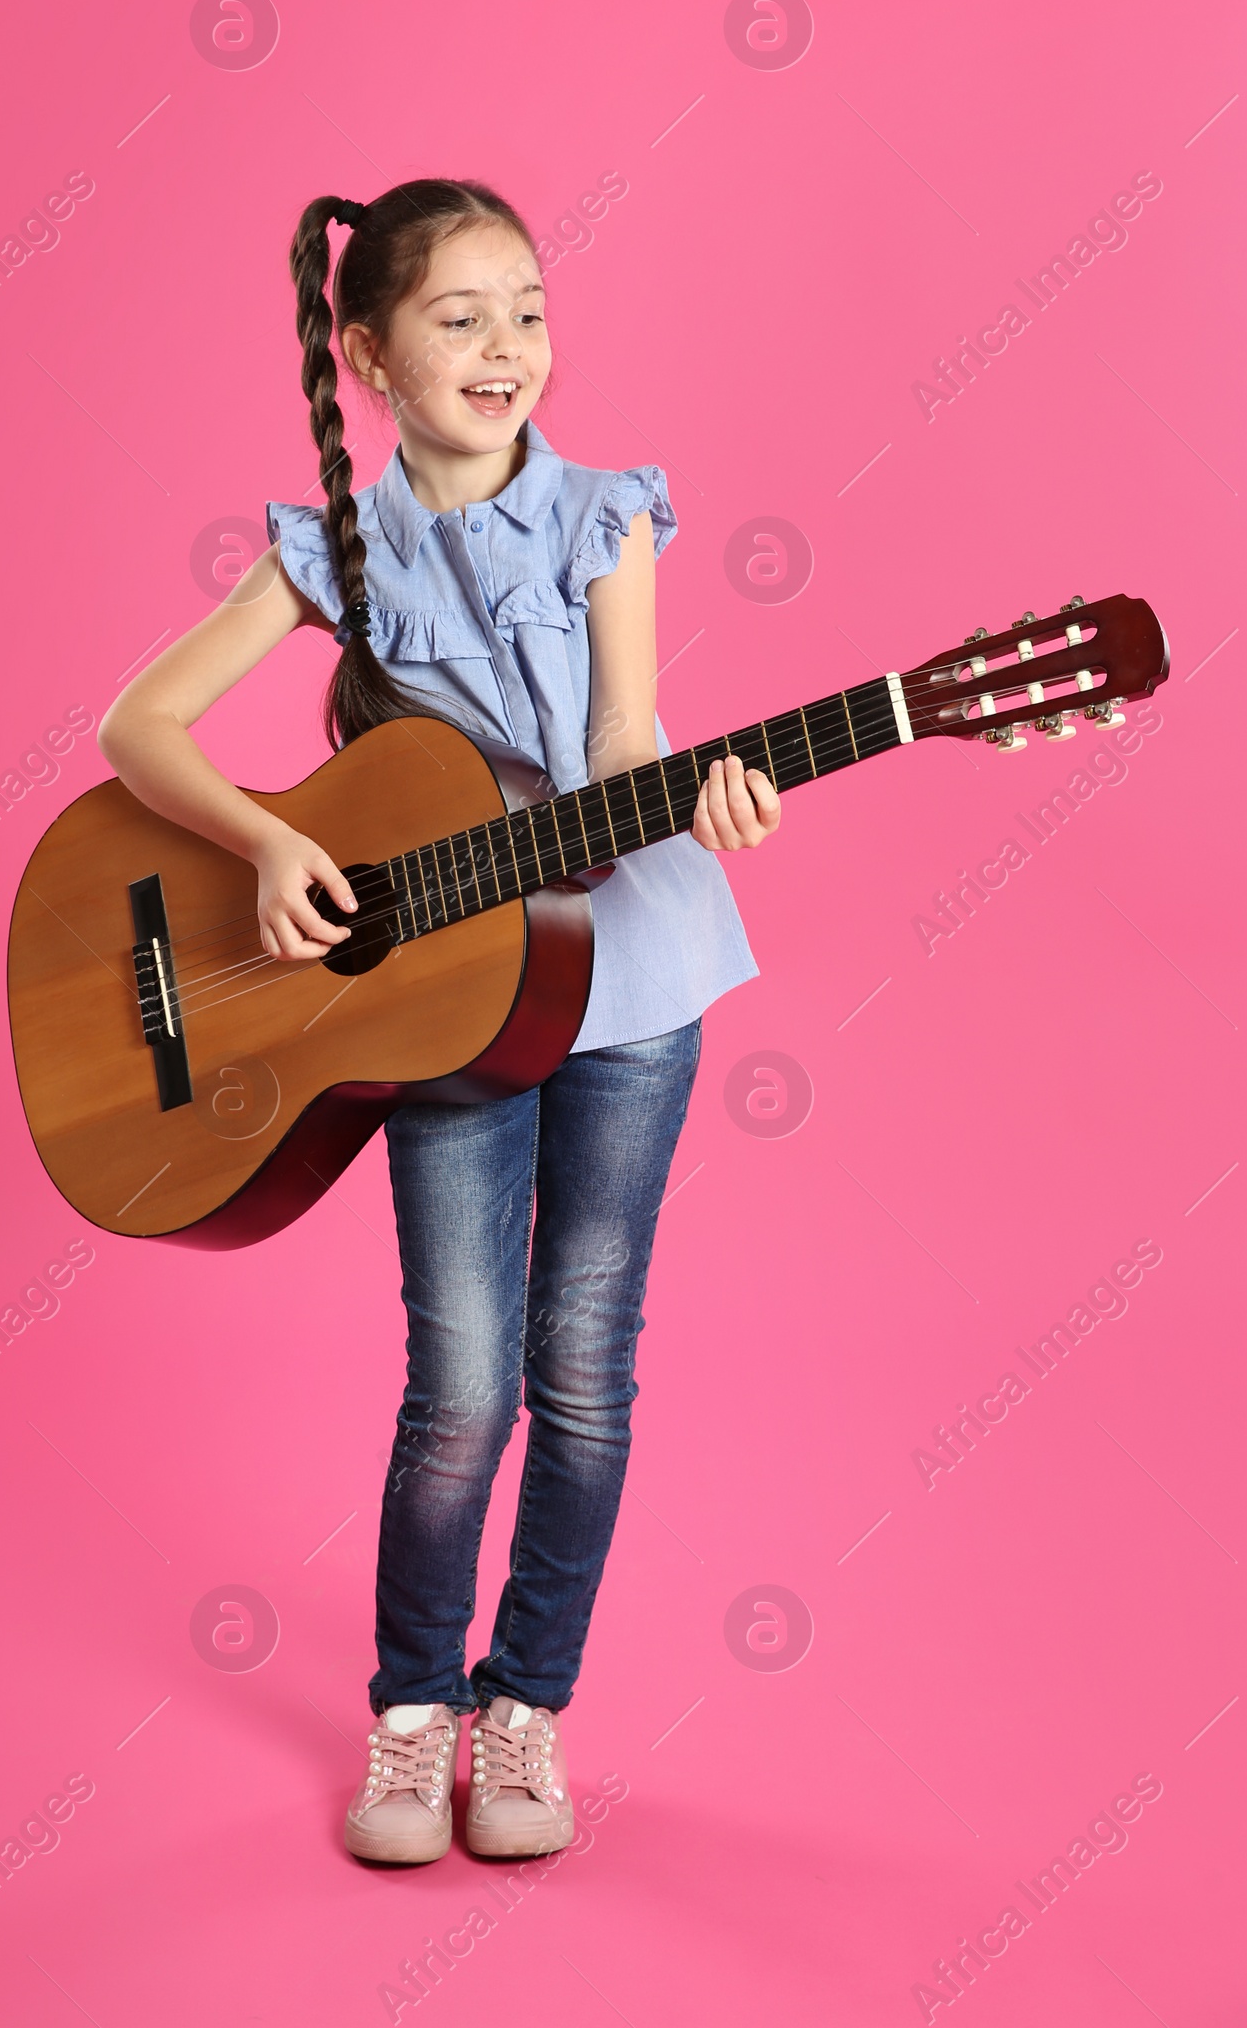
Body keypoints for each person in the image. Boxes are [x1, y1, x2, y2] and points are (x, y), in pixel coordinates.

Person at [97, 177, 780, 1865]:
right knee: (464, 1385)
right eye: (461, 316)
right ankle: (416, 1718)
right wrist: (265, 845)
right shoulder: (334, 548)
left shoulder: (609, 515)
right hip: (443, 1008)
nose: (507, 348)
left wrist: (698, 792)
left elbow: (622, 744)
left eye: (530, 309)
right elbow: (141, 724)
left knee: (588, 1372)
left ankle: (526, 1707)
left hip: (630, 990)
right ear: (371, 354)